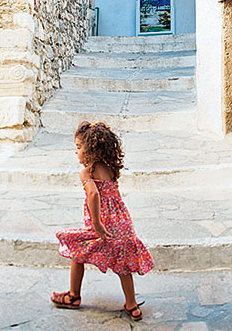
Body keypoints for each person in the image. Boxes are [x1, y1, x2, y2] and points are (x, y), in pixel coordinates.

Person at [50, 121, 154, 321]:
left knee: (76, 250)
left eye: (79, 147)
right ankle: (132, 305)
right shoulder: (111, 168)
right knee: (123, 263)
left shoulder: (87, 173)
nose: (76, 152)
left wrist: (97, 224)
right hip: (122, 224)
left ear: (90, 150)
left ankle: (73, 296)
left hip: (102, 226)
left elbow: (93, 195)